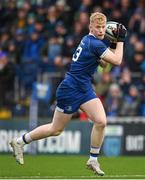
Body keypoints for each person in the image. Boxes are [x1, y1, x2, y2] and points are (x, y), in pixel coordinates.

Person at [10, 12, 127, 176]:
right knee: (55, 129)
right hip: (71, 89)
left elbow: (105, 65)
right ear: (90, 27)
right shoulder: (95, 43)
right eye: (98, 27)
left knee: (101, 121)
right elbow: (117, 61)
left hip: (83, 87)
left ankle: (93, 159)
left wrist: (113, 44)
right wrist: (120, 40)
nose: (101, 30)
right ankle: (20, 141)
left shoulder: (90, 40)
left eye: (103, 27)